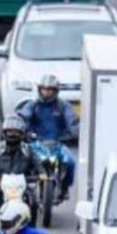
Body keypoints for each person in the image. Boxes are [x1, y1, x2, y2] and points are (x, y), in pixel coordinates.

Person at [16, 76, 77, 204]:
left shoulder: (63, 106)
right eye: (44, 89)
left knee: (71, 162)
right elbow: (22, 117)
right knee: (21, 161)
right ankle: (22, 190)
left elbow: (72, 121)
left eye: (50, 89)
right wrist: (19, 126)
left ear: (56, 91)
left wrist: (74, 131)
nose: (46, 92)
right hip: (36, 144)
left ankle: (65, 188)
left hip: (58, 144)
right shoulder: (32, 105)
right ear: (40, 90)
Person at [0, 116, 40, 187]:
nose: (12, 135)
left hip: (23, 186)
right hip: (1, 186)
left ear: (22, 134)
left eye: (16, 132)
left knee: (33, 191)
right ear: (4, 133)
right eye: (10, 132)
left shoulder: (27, 150)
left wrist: (42, 173)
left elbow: (37, 164)